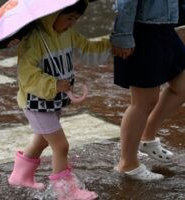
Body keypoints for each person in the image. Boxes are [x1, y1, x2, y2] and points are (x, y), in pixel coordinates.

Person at [8, 0, 111, 199]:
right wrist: (54, 84)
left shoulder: (67, 35)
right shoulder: (34, 40)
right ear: (53, 15)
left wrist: (111, 45)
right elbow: (27, 76)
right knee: (60, 146)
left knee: (41, 140)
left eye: (76, 19)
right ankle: (66, 191)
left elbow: (86, 48)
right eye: (69, 18)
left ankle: (20, 176)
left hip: (53, 101)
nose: (72, 23)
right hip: (36, 102)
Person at [110, 0, 185, 180]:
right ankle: (127, 164)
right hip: (143, 29)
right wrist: (123, 34)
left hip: (163, 26)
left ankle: (147, 137)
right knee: (144, 101)